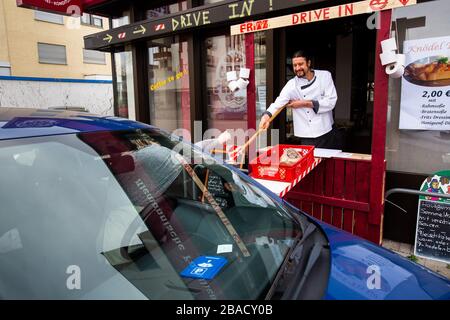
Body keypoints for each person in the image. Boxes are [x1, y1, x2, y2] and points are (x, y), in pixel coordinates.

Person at [259, 50, 340, 149]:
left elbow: (331, 101)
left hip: (326, 131)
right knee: (311, 163)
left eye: (300, 64)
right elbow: (278, 103)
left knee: (328, 163)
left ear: (309, 63)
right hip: (306, 135)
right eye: (295, 65)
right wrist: (266, 117)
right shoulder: (292, 85)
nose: (297, 68)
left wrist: (303, 103)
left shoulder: (324, 76)